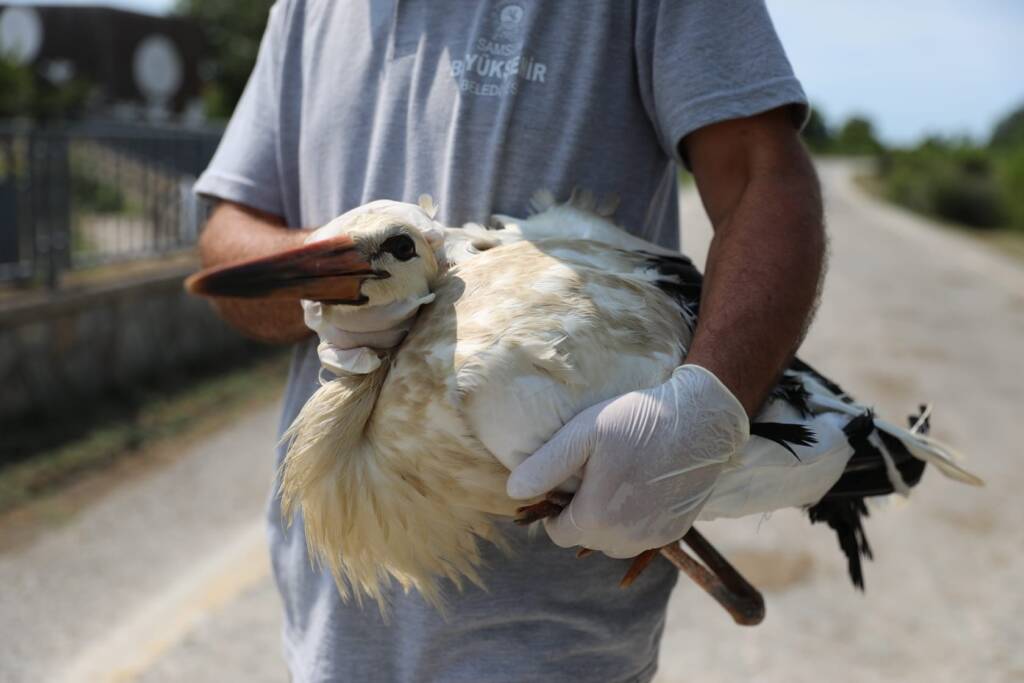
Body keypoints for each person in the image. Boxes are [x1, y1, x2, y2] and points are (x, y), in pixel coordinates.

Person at [194, 1, 824, 680]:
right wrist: (337, 281)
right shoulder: (309, 8)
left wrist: (703, 411)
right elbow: (227, 240)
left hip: (549, 645)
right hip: (330, 623)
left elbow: (764, 175)